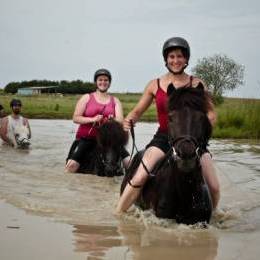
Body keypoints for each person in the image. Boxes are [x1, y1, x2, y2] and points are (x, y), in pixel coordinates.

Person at [116, 37, 220, 214]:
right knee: (140, 176)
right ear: (166, 60)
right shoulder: (155, 85)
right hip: (164, 138)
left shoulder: (198, 84)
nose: (176, 60)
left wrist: (202, 129)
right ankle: (118, 213)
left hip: (194, 140)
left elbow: (211, 114)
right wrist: (128, 120)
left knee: (214, 185)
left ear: (186, 59)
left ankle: (214, 215)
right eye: (171, 56)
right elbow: (137, 111)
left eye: (180, 56)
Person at [65, 68, 129, 173]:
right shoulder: (86, 98)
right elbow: (75, 118)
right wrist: (92, 119)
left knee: (128, 162)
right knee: (71, 166)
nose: (103, 82)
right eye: (100, 80)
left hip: (109, 141)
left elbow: (120, 120)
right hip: (87, 138)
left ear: (109, 83)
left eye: (106, 80)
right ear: (96, 82)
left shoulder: (115, 101)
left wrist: (111, 120)